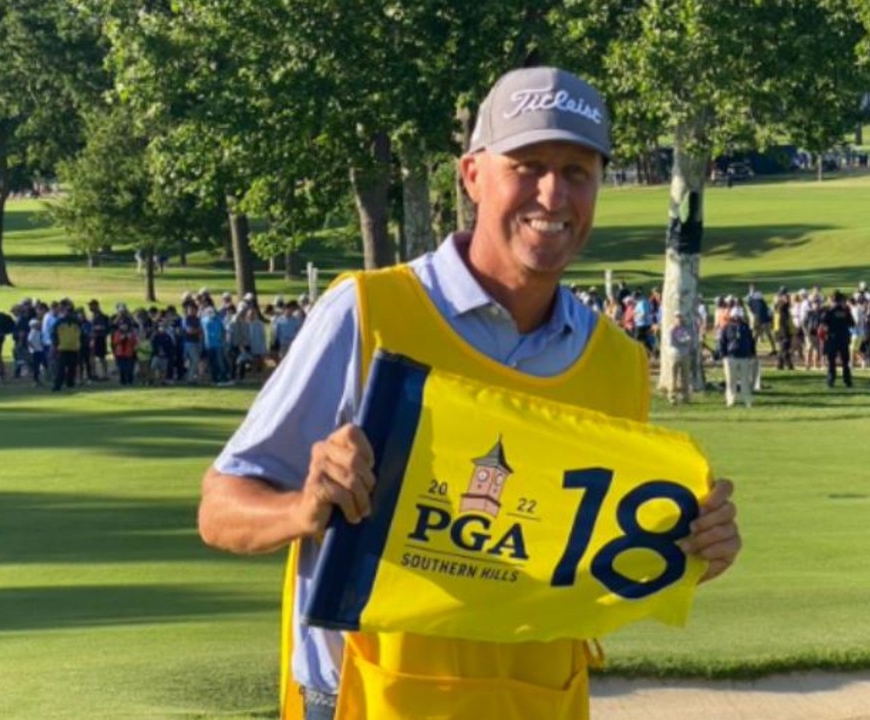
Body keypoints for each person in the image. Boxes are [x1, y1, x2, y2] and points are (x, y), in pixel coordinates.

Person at [197, 67, 741, 720]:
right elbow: (221, 507)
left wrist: (696, 549)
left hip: (541, 703)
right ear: (472, 174)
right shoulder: (369, 312)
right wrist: (304, 510)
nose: (553, 194)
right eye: (528, 164)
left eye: (577, 171)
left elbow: (590, 567)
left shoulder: (617, 365)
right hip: (372, 701)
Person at [719, 306, 756, 407]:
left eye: (740, 316)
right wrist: (723, 355)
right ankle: (731, 400)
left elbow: (751, 341)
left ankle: (747, 400)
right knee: (731, 380)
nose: (738, 318)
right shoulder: (726, 327)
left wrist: (752, 353)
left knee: (745, 380)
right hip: (731, 357)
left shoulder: (746, 327)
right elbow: (722, 342)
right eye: (737, 316)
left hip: (744, 356)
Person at [821, 291, 854, 388]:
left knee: (831, 361)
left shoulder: (829, 311)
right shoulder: (846, 311)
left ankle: (831, 380)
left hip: (832, 338)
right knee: (845, 361)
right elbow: (852, 323)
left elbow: (823, 323)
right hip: (844, 337)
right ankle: (847, 381)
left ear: (832, 300)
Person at [666, 312, 693, 404]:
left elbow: (689, 340)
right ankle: (672, 396)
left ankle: (685, 396)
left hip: (685, 354)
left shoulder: (687, 329)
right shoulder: (671, 329)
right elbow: (671, 342)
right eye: (677, 317)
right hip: (674, 354)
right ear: (674, 318)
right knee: (673, 377)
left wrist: (684, 341)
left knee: (685, 377)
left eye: (680, 317)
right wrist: (683, 340)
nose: (679, 319)